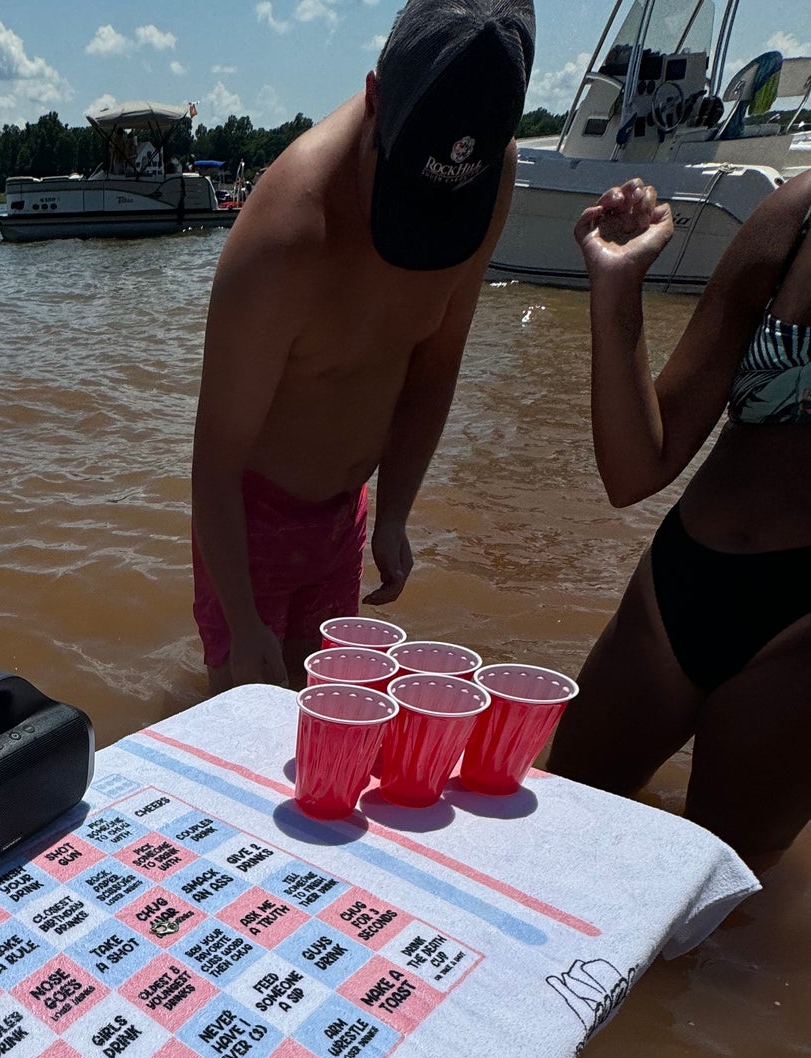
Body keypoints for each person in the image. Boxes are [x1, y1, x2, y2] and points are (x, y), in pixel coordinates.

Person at [191, 0, 534, 692]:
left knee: (329, 728)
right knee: (249, 724)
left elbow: (436, 361)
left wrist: (396, 511)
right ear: (375, 97)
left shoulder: (489, 173)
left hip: (344, 515)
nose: (422, 236)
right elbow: (213, 465)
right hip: (249, 521)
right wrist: (241, 617)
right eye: (410, 198)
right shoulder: (281, 241)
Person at [547, 173, 811, 867]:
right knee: (547, 833)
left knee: (716, 914)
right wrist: (616, 287)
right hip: (679, 581)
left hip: (801, 632)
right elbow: (635, 469)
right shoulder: (795, 214)